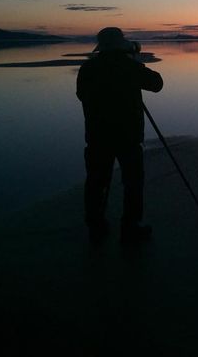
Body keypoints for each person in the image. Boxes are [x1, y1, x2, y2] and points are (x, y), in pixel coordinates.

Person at [76, 27, 163, 244]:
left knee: (96, 182)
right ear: (120, 45)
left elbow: (81, 95)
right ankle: (130, 227)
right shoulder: (129, 67)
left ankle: (95, 225)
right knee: (133, 182)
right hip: (128, 136)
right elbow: (157, 84)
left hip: (97, 136)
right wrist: (134, 62)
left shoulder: (88, 68)